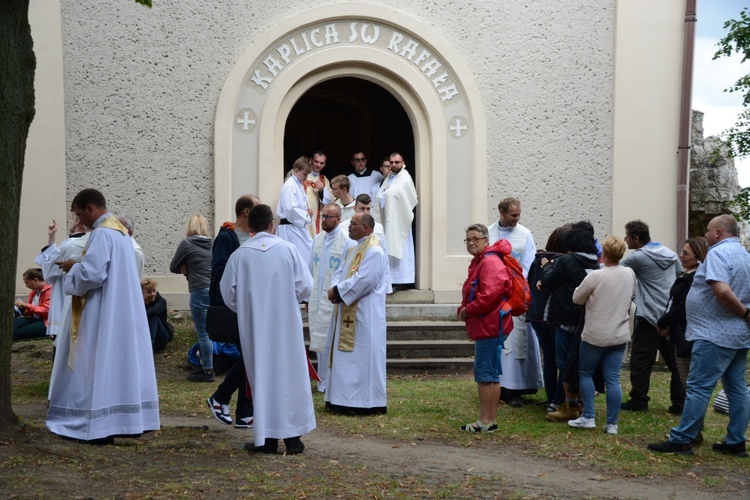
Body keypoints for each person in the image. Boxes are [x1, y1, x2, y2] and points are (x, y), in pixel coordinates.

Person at [48, 188, 159, 445]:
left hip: (102, 310)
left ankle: (98, 426)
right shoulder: (121, 233)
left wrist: (73, 267)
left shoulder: (101, 234)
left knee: (95, 364)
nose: (79, 221)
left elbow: (92, 275)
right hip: (120, 311)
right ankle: (120, 421)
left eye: (78, 214)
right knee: (115, 365)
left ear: (90, 208)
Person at [648, 215, 750, 457]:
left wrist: (744, 312)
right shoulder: (745, 255)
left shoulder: (717, 253)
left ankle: (682, 439)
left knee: (698, 387)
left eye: (707, 231)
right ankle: (736, 441)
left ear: (717, 232)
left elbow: (722, 291)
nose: (705, 236)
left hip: (715, 334)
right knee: (737, 388)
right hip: (738, 335)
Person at [220, 204, 315, 455]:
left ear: (250, 225)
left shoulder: (241, 255)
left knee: (261, 377)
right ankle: (293, 439)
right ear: (272, 224)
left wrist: (248, 309)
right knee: (289, 375)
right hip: (285, 325)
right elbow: (305, 287)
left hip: (255, 327)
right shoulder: (288, 250)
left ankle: (268, 440)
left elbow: (228, 293)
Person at [569, 236, 636, 435]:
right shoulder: (629, 273)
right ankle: (612, 423)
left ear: (603, 254)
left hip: (595, 334)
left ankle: (589, 416)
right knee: (613, 379)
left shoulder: (596, 276)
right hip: (619, 334)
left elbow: (577, 298)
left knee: (586, 373)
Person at [325, 213, 389, 415]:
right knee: (345, 356)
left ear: (366, 228)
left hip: (364, 314)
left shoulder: (375, 251)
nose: (349, 227)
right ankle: (340, 399)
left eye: (353, 224)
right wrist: (335, 288)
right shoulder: (353, 249)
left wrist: (339, 292)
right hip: (346, 308)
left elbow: (365, 280)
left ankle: (364, 401)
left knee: (362, 356)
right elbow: (340, 272)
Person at [205, 194, 259, 429]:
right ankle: (221, 398)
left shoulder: (256, 237)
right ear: (247, 212)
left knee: (251, 356)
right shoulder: (227, 236)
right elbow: (219, 271)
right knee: (250, 356)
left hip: (252, 306)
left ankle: (243, 412)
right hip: (234, 307)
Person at [620, 220, 684, 414]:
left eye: (627, 236)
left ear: (636, 238)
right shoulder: (671, 255)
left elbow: (614, 268)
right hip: (670, 317)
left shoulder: (638, 257)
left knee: (641, 361)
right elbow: (680, 276)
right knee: (677, 364)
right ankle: (680, 403)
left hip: (649, 316)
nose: (625, 240)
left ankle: (639, 401)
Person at [539, 227, 601, 422]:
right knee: (581, 365)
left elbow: (550, 281)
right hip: (586, 318)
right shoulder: (595, 263)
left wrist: (547, 266)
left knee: (563, 363)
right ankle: (581, 404)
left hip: (565, 318)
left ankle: (567, 405)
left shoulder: (567, 261)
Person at [457, 224, 513, 432]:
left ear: (486, 240)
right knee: (490, 375)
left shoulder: (489, 262)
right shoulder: (484, 260)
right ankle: (490, 420)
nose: (471, 243)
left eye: (475, 239)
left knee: (484, 375)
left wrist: (468, 310)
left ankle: (485, 421)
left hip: (489, 325)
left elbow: (489, 295)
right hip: (490, 324)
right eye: (468, 240)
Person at [488, 197, 542, 407]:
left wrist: (516, 284)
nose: (517, 218)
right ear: (501, 212)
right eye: (513, 215)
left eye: (519, 214)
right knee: (499, 342)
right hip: (495, 295)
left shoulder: (525, 234)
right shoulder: (489, 232)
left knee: (517, 340)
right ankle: (498, 385)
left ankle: (517, 387)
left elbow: (529, 262)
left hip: (516, 294)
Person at [656, 237, 708, 392]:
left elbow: (682, 307)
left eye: (685, 253)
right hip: (679, 331)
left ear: (698, 257)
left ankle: (692, 412)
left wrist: (662, 322)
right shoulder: (686, 275)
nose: (681, 256)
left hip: (688, 334)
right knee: (685, 379)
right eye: (681, 252)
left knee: (690, 383)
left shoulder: (696, 278)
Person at [526, 225, 570, 409]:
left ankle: (552, 397)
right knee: (563, 360)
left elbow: (528, 283)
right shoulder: (564, 261)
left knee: (549, 359)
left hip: (536, 316)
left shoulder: (536, 259)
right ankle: (558, 400)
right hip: (554, 316)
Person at [309, 203, 349, 393]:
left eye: (328, 217)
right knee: (318, 340)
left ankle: (331, 381)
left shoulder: (346, 241)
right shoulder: (317, 240)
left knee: (330, 340)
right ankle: (321, 380)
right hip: (317, 298)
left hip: (333, 299)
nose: (324, 220)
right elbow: (311, 269)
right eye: (323, 216)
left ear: (338, 219)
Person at [170, 214, 214, 382]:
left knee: (202, 332)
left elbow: (173, 266)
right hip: (212, 289)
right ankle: (206, 365)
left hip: (198, 289)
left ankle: (208, 370)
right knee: (210, 331)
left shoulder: (187, 244)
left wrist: (186, 267)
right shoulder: (212, 244)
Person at [375, 151, 417, 291]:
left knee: (401, 249)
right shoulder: (390, 178)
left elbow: (395, 193)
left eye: (396, 162)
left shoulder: (404, 177)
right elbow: (382, 194)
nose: (393, 165)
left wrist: (385, 195)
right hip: (389, 220)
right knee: (389, 248)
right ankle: (391, 280)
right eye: (391, 162)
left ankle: (403, 280)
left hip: (400, 222)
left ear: (402, 163)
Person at [277, 156, 314, 260]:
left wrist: (307, 212)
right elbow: (290, 209)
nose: (306, 177)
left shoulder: (298, 185)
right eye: (304, 174)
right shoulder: (289, 186)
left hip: (296, 227)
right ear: (296, 170)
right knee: (298, 258)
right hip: (290, 228)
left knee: (306, 256)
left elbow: (298, 206)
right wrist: (306, 215)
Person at [13, 268, 51, 341]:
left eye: (27, 283)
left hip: (46, 322)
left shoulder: (50, 290)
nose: (26, 286)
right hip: (34, 318)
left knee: (17, 333)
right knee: (10, 325)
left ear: (35, 280)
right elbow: (31, 311)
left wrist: (27, 305)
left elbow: (47, 311)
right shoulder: (33, 293)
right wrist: (22, 309)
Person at [305, 150, 333, 237]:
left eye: (321, 163)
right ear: (311, 160)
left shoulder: (324, 180)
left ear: (324, 164)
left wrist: (322, 190)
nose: (318, 165)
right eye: (316, 161)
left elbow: (331, 200)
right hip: (305, 215)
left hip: (318, 219)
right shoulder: (303, 175)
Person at [141, 278, 174, 352]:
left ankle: (148, 348)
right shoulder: (138, 303)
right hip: (143, 334)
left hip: (161, 337)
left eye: (154, 291)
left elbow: (153, 311)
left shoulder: (161, 301)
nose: (153, 294)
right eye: (149, 292)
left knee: (153, 316)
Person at [117, 214, 145, 279]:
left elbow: (131, 278)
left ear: (130, 232)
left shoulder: (134, 251)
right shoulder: (120, 247)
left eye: (119, 230)